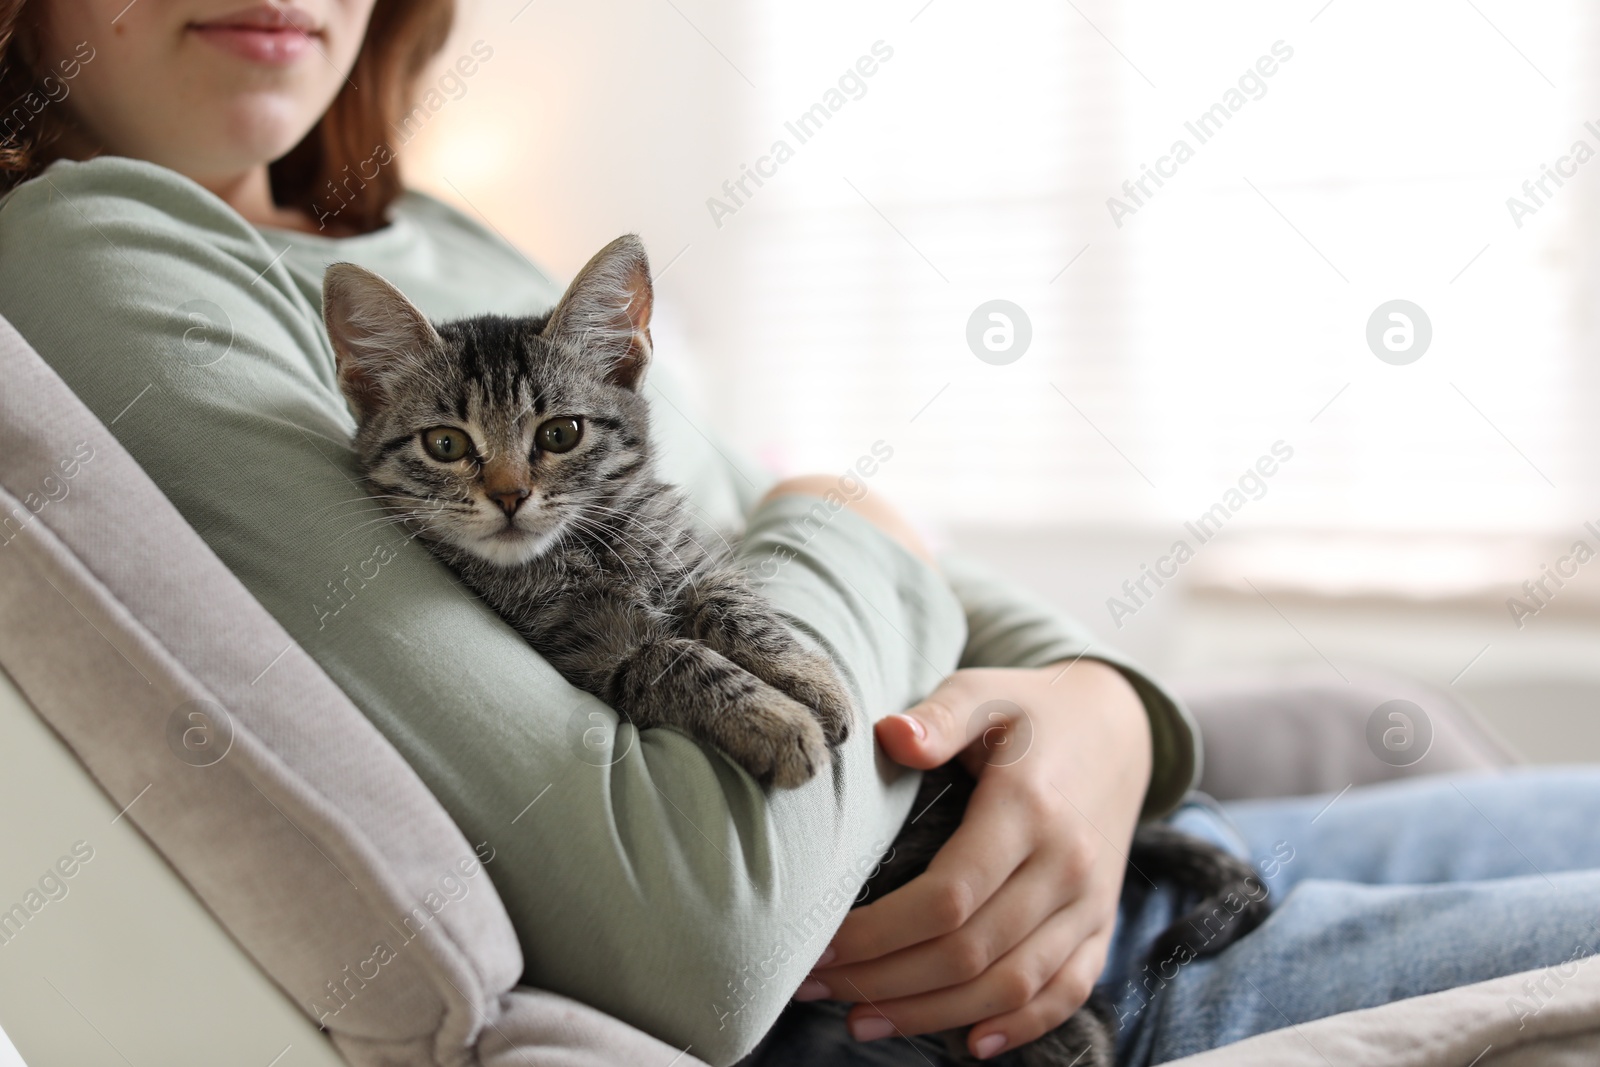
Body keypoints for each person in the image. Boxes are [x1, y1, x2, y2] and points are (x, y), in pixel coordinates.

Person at [2, 4, 1598, 1067]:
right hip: (990, 984)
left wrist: (1100, 714)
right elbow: (702, 919)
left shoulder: (437, 239)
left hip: (1093, 841)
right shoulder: (109, 245)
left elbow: (802, 546)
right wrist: (842, 519)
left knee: (1393, 728)